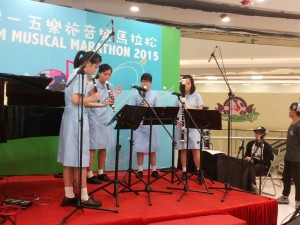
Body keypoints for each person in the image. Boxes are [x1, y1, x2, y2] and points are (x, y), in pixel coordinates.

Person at [57, 50, 103, 207]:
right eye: (95, 67)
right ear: (89, 63)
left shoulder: (75, 73)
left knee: (70, 160)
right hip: (76, 121)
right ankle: (83, 196)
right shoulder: (81, 76)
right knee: (82, 160)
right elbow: (76, 99)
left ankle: (69, 195)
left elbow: (77, 97)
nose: (95, 71)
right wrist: (93, 97)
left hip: (71, 120)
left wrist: (88, 93)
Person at [86, 64, 115, 184]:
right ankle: (89, 174)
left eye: (109, 74)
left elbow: (110, 101)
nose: (107, 76)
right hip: (94, 118)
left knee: (104, 146)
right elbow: (87, 101)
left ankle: (101, 172)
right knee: (92, 147)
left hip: (105, 118)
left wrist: (112, 98)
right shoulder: (91, 84)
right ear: (99, 73)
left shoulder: (110, 85)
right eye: (105, 74)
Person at [129, 73, 160, 179]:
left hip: (151, 125)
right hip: (140, 125)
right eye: (143, 81)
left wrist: (149, 106)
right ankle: (140, 170)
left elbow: (159, 110)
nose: (145, 83)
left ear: (150, 83)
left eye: (147, 81)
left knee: (152, 148)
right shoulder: (136, 95)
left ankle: (154, 170)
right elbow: (131, 109)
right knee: (140, 148)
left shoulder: (154, 95)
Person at [175, 74, 203, 181]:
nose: (186, 86)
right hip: (182, 127)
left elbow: (200, 110)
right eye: (184, 84)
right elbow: (175, 112)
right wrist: (177, 120)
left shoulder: (197, 96)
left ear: (192, 84)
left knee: (195, 150)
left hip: (193, 127)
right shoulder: (179, 96)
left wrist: (191, 108)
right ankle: (184, 171)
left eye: (188, 83)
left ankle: (199, 171)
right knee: (183, 149)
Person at [277, 102, 300, 209]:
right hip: (288, 157)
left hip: (297, 159)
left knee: (297, 180)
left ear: (294, 111)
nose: (289, 111)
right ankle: (285, 196)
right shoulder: (292, 124)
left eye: (290, 110)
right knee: (286, 177)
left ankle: (298, 200)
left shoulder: (299, 126)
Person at [244, 126, 274, 193]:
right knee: (243, 165)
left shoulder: (267, 147)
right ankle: (246, 185)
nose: (257, 135)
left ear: (263, 135)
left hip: (263, 167)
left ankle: (252, 185)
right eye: (256, 133)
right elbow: (246, 155)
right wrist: (246, 159)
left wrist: (253, 160)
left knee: (252, 166)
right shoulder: (250, 144)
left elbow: (266, 162)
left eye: (259, 133)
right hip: (251, 164)